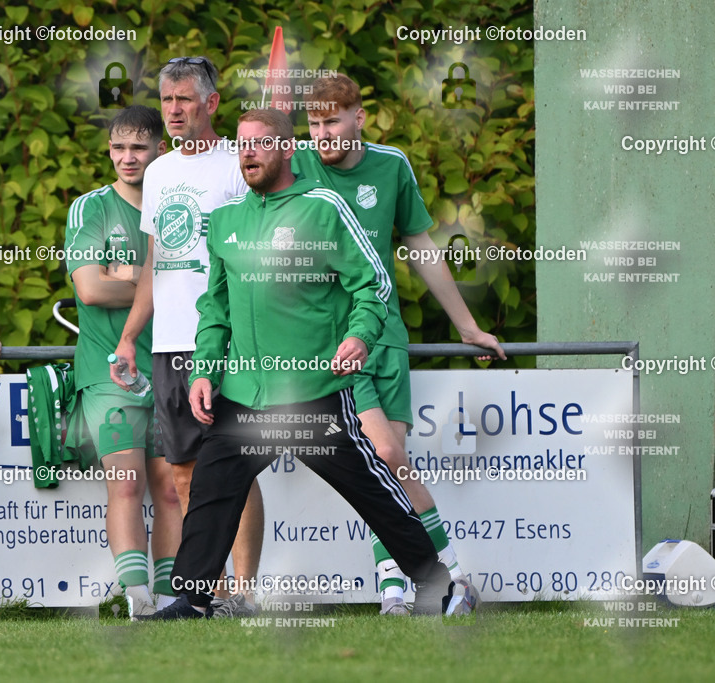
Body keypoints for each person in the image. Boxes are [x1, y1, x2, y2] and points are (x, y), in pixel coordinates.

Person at [145, 108, 452, 619]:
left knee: (371, 490)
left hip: (312, 389)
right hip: (245, 394)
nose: (248, 154)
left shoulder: (324, 207)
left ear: (288, 149)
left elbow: (371, 284)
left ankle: (434, 580)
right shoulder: (225, 222)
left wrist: (359, 335)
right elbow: (214, 309)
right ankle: (193, 600)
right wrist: (203, 370)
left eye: (260, 144)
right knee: (212, 490)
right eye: (241, 145)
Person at [293, 74, 506, 615]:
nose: (323, 134)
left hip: (386, 334)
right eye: (314, 123)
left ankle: (410, 583)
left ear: (358, 118)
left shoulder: (391, 165)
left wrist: (466, 326)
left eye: (332, 121)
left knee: (391, 465)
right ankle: (436, 577)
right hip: (333, 343)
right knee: (384, 456)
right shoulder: (292, 163)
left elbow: (421, 247)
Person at [110, 56, 263, 617]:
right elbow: (156, 260)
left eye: (184, 100)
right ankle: (212, 591)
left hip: (225, 342)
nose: (173, 111)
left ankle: (243, 593)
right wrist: (130, 336)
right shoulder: (158, 173)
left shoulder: (235, 166)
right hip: (168, 343)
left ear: (211, 103)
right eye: (167, 100)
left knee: (234, 467)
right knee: (182, 474)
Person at [63, 105, 183, 620]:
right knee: (127, 484)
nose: (127, 158)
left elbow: (193, 287)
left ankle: (174, 597)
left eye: (138, 147)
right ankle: (137, 598)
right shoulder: (91, 208)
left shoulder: (179, 204)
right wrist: (154, 278)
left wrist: (129, 275)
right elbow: (90, 289)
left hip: (172, 363)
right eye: (118, 147)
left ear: (159, 148)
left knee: (173, 489)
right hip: (108, 368)